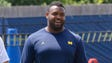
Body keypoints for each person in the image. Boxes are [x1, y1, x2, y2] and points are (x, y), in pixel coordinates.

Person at [21, 1, 87, 63]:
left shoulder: (76, 39)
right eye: (55, 14)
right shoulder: (33, 39)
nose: (58, 17)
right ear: (47, 15)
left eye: (62, 15)